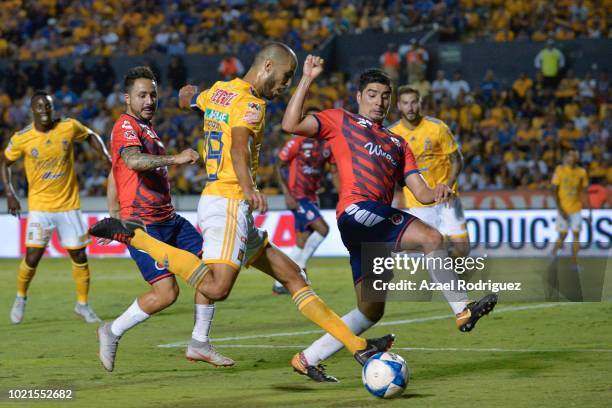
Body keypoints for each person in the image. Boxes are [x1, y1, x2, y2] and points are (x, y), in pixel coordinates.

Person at [89, 43, 394, 382]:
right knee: (217, 287)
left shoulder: (219, 92)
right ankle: (136, 237)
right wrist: (249, 187)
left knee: (293, 276)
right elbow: (238, 145)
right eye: (284, 77)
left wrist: (190, 97)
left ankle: (356, 345)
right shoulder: (251, 102)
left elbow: (188, 97)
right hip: (230, 200)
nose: (285, 85)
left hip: (227, 202)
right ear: (266, 66)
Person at [281, 56, 498, 381]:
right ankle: (461, 310)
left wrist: (440, 190)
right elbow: (290, 124)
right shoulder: (341, 121)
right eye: (372, 94)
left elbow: (421, 193)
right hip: (357, 212)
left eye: (385, 96)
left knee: (372, 310)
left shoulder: (399, 144)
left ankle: (307, 357)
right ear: (358, 97)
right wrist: (308, 78)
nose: (379, 101)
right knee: (432, 239)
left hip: (372, 229)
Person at [96, 66, 233, 372]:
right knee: (166, 293)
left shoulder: (148, 130)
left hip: (170, 219)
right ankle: (112, 331)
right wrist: (176, 158)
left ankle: (199, 342)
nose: (149, 100)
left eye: (153, 94)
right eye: (141, 95)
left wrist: (111, 213)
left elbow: (114, 171)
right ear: (127, 98)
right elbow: (130, 161)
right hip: (144, 225)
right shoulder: (125, 126)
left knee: (213, 271)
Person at [1, 90, 111, 324]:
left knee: (79, 255)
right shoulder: (22, 138)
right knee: (33, 256)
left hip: (68, 206)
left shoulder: (68, 127)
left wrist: (104, 155)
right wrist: (10, 193)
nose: (44, 111)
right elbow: (5, 162)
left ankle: (82, 304)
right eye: (39, 107)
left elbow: (90, 135)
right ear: (32, 110)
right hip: (40, 207)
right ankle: (21, 297)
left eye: (48, 107)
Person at [389, 86, 470, 258]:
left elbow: (457, 160)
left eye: (413, 102)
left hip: (447, 200)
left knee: (462, 250)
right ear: (398, 105)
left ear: (420, 103)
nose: (410, 108)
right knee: (430, 251)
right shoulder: (392, 134)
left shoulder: (437, 127)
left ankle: (453, 281)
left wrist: (447, 186)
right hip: (419, 203)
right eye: (405, 103)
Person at [272, 108, 336, 294]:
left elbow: (331, 169)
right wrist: (286, 194)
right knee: (323, 229)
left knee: (301, 241)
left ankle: (279, 284)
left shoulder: (326, 145)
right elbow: (278, 166)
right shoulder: (296, 141)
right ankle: (300, 266)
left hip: (311, 196)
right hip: (297, 196)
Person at [550, 149, 591, 269]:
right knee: (563, 235)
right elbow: (553, 191)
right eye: (570, 155)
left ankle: (574, 262)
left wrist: (589, 211)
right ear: (567, 158)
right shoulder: (560, 170)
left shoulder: (582, 172)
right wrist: (560, 209)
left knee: (576, 234)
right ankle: (553, 254)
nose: (572, 157)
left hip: (576, 208)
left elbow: (584, 192)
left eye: (575, 155)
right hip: (564, 208)